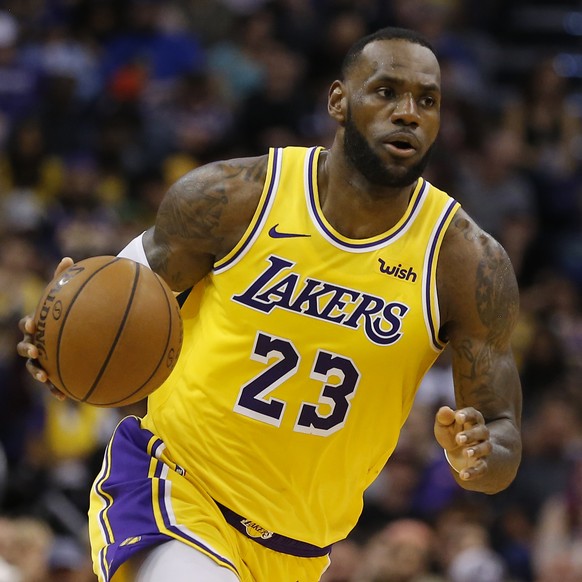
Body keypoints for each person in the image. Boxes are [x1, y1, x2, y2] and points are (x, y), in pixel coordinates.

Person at [17, 26, 522, 582]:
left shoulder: (467, 263)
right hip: (173, 488)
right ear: (339, 100)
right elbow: (113, 300)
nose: (408, 112)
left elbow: (501, 436)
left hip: (301, 549)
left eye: (427, 100)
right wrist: (60, 335)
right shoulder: (233, 197)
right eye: (385, 91)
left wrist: (478, 454)